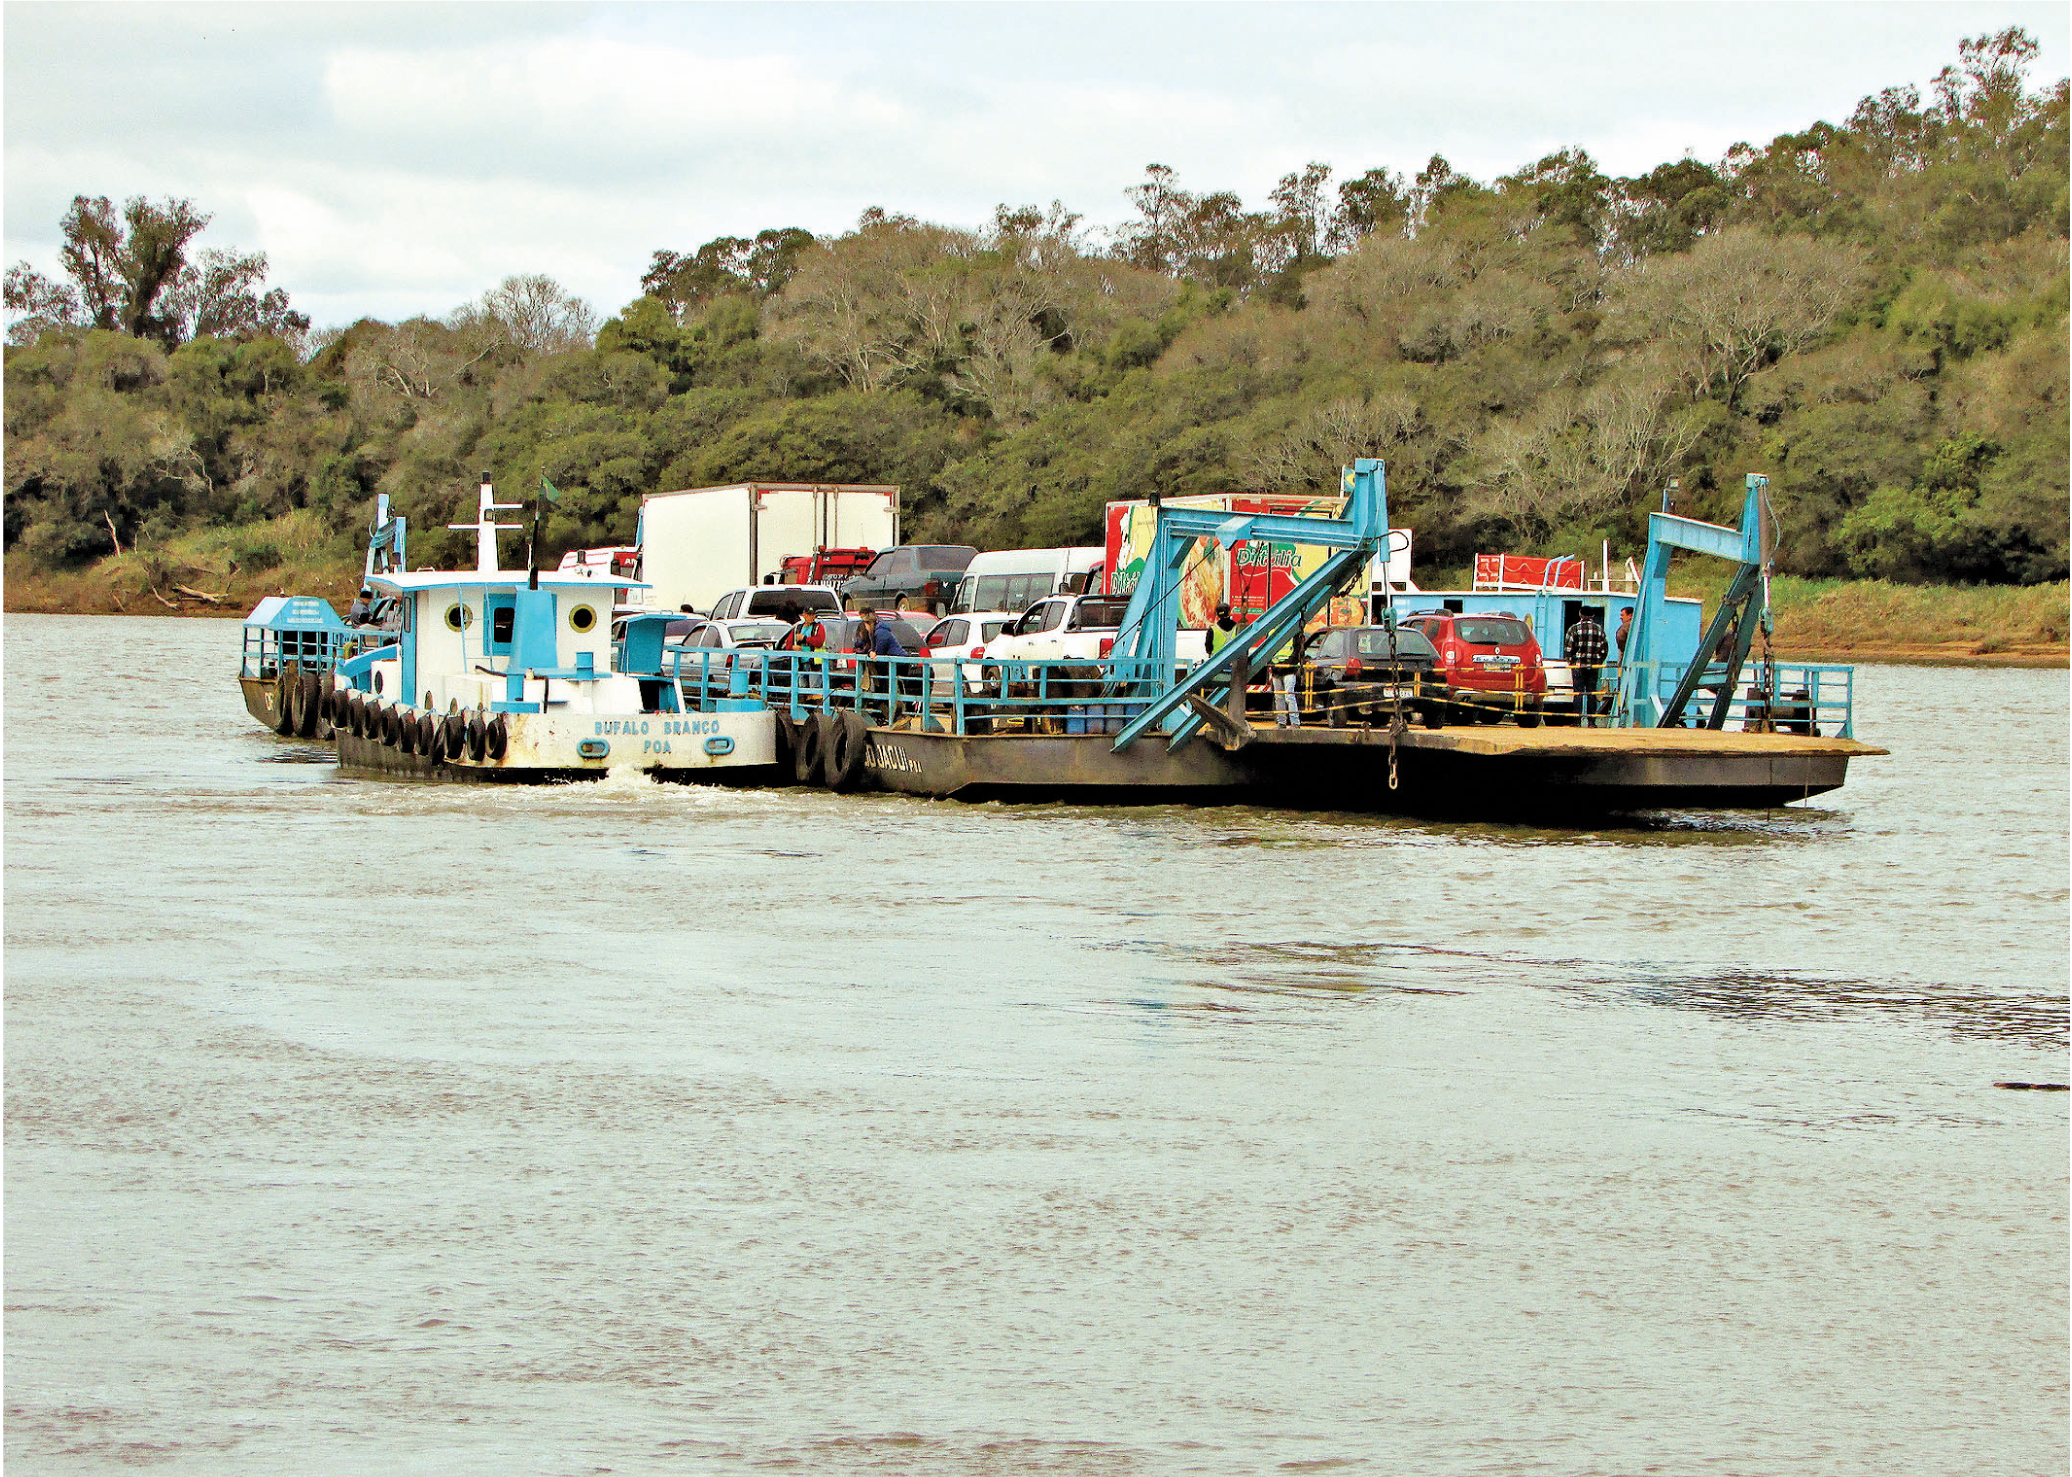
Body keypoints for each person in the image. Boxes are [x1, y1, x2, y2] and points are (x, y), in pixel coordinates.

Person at [1564, 608, 1609, 722]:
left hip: (1578, 666)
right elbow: (1604, 649)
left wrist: (1571, 662)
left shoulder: (1574, 629)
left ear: (1580, 615)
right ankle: (1591, 721)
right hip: (1593, 666)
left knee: (1578, 693)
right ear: (1592, 616)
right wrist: (1598, 662)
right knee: (1591, 692)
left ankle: (1576, 721)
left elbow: (1568, 649)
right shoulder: (1599, 629)